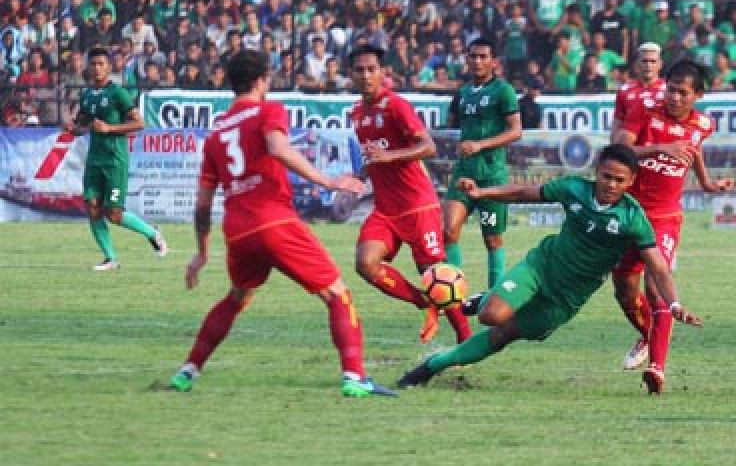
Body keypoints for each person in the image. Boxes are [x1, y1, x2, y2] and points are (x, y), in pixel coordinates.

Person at [168, 50, 395, 398]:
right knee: (338, 295)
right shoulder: (267, 110)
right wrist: (328, 181)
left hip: (237, 229)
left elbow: (202, 203)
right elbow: (277, 146)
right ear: (261, 81)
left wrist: (201, 253)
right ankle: (355, 378)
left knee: (237, 297)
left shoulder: (216, 134)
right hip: (274, 221)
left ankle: (188, 371)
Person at [397, 144, 703, 393]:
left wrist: (674, 303)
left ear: (631, 182)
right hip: (541, 267)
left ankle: (433, 365)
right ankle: (432, 361)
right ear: (596, 172)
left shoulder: (632, 218)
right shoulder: (574, 189)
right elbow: (522, 194)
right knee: (491, 315)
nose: (611, 184)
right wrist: (480, 194)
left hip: (566, 299)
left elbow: (658, 267)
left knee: (501, 336)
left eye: (619, 180)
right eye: (606, 176)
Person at [610, 59, 731, 391]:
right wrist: (661, 147)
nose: (674, 97)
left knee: (656, 287)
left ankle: (657, 369)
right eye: (671, 90)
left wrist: (707, 184)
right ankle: (646, 335)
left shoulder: (703, 124)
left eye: (682, 93)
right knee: (624, 291)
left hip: (664, 218)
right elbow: (619, 150)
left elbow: (694, 151)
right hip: (629, 213)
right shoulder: (644, 112)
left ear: (698, 96)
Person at [347, 44, 471, 345]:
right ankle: (423, 303)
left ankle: (465, 338)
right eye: (359, 70)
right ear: (351, 75)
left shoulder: (396, 106)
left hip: (417, 205)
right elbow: (374, 156)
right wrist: (358, 177)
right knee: (366, 264)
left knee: (436, 275)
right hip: (386, 210)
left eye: (371, 69)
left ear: (383, 73)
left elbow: (428, 147)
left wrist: (389, 157)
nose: (365, 76)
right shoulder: (357, 113)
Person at [64, 47, 166, 271]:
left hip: (115, 160)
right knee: (92, 207)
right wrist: (74, 129)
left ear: (109, 67)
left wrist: (110, 128)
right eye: (94, 64)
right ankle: (110, 258)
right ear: (88, 68)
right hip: (94, 160)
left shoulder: (118, 93)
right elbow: (83, 123)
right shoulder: (87, 95)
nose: (97, 68)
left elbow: (139, 124)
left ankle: (153, 233)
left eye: (102, 64)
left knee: (114, 214)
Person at [442, 38, 522, 290]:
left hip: (491, 178)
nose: (477, 61)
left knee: (493, 240)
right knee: (448, 230)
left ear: (494, 62)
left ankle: (493, 295)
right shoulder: (463, 93)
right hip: (463, 173)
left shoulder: (503, 91)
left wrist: (480, 144)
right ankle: (453, 293)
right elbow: (451, 128)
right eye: (473, 56)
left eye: (483, 56)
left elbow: (515, 131)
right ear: (466, 60)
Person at [610, 42, 666, 137]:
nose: (648, 65)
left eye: (653, 61)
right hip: (633, 148)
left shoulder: (669, 89)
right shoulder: (624, 90)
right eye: (644, 61)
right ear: (637, 64)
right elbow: (617, 125)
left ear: (660, 64)